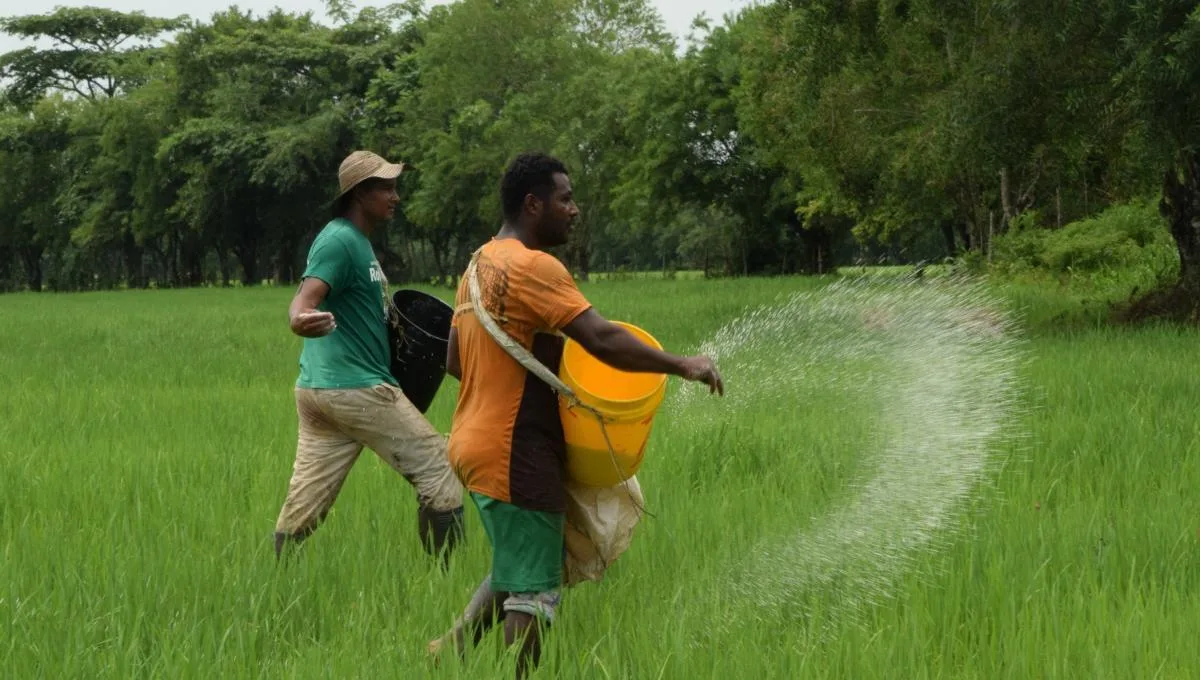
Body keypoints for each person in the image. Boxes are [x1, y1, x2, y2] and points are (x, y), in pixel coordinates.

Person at [429, 152, 723, 677]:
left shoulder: (479, 264)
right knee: (535, 590)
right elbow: (602, 338)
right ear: (533, 203)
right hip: (514, 450)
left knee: (517, 560)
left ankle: (447, 653)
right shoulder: (533, 265)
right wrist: (685, 365)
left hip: (471, 441)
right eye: (565, 198)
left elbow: (455, 359)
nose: (575, 209)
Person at [273, 150, 465, 564]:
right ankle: (444, 580)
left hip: (320, 389)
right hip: (357, 387)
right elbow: (304, 300)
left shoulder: (357, 243)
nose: (395, 196)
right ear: (360, 194)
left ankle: (278, 580)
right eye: (387, 188)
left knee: (304, 505)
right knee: (439, 468)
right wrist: (299, 320)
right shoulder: (340, 239)